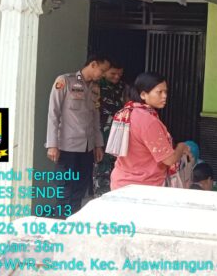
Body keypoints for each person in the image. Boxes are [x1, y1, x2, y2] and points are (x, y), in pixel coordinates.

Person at [46, 54, 110, 215]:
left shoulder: (95, 88)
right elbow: (53, 113)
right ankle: (61, 220)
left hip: (87, 147)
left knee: (80, 187)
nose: (103, 75)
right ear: (93, 64)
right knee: (64, 186)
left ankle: (73, 219)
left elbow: (95, 118)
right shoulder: (65, 81)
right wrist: (52, 144)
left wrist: (98, 145)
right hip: (67, 146)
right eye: (102, 70)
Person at [110, 72, 191, 190]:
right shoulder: (148, 120)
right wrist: (181, 147)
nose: (164, 96)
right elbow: (169, 160)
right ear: (143, 94)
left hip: (120, 182)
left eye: (166, 92)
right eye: (159, 92)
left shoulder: (125, 112)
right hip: (144, 186)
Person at [92, 61, 128, 197]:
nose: (117, 77)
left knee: (118, 165)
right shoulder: (96, 86)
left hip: (119, 132)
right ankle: (100, 195)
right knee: (101, 164)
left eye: (120, 74)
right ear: (104, 71)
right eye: (113, 73)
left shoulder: (124, 87)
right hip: (101, 133)